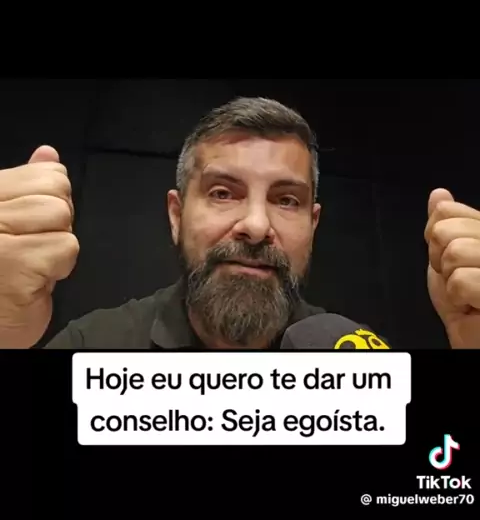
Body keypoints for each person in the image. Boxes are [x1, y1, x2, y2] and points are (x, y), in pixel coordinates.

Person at [0, 96, 479, 350]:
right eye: (223, 193)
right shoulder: (95, 347)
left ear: (313, 225)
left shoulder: (354, 356)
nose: (255, 224)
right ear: (176, 215)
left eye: (286, 200)